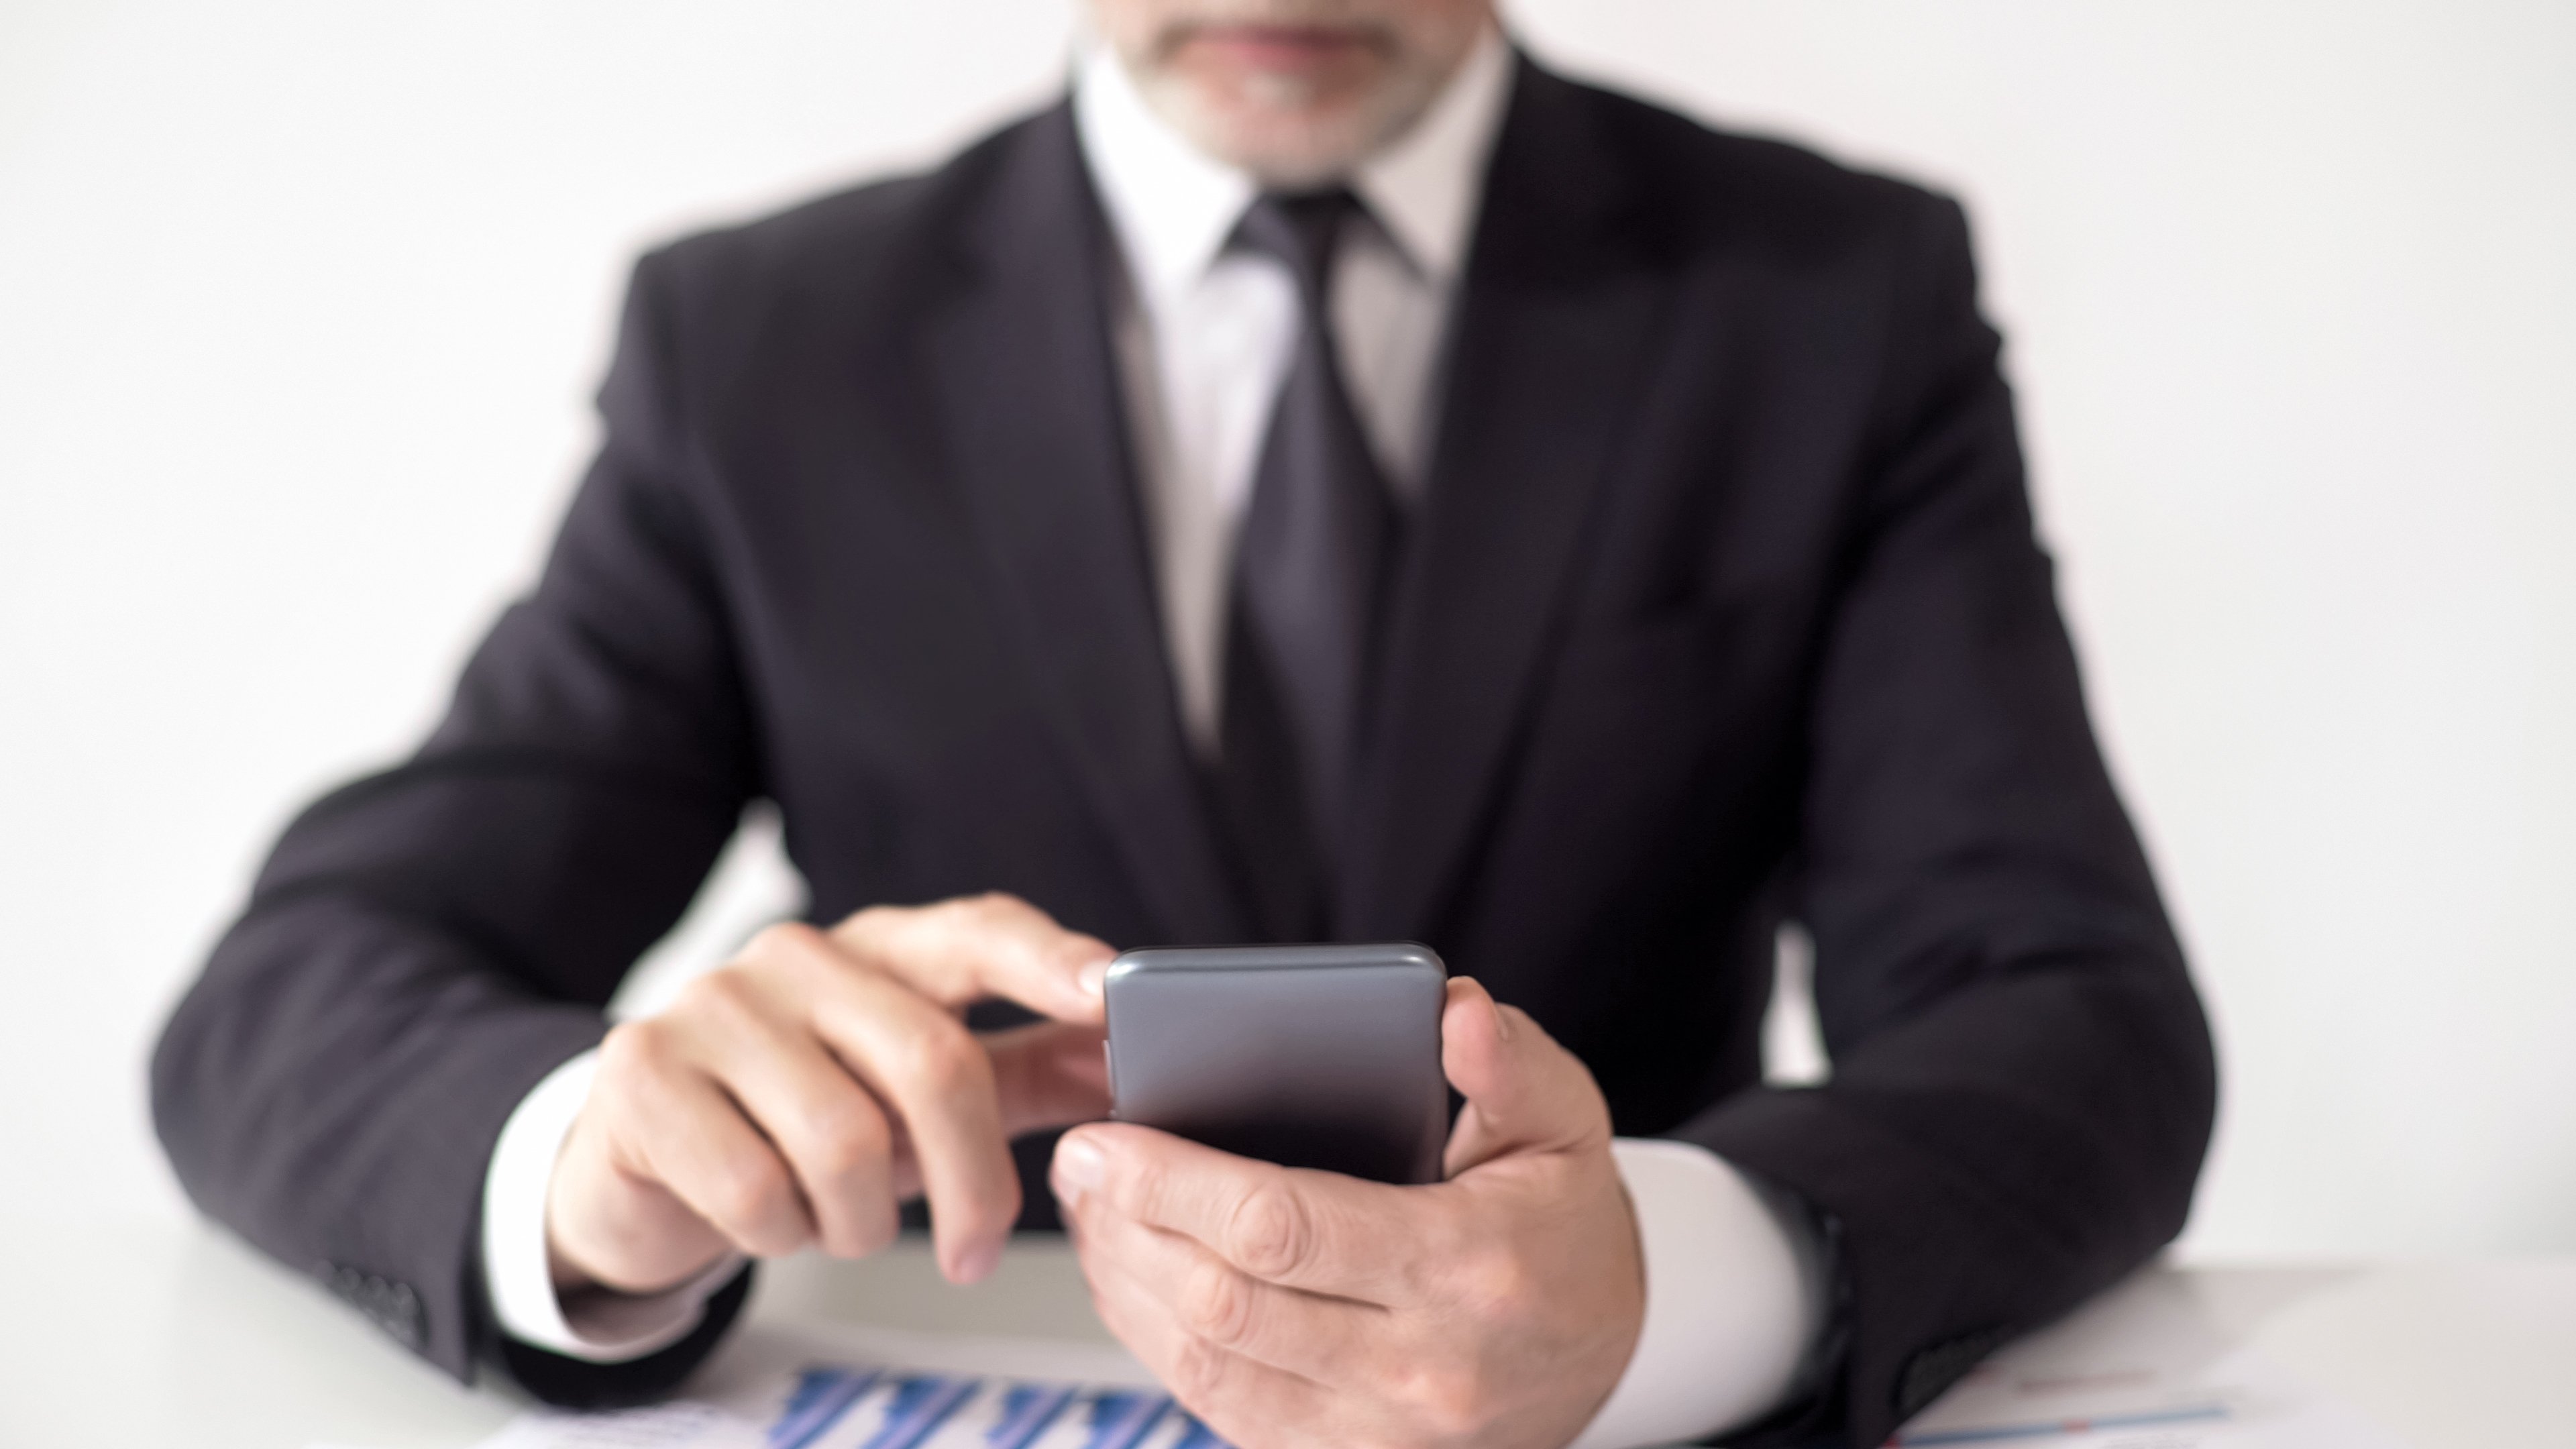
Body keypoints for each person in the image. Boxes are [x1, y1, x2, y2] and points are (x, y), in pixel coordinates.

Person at [150, 3, 2217, 1446]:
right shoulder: (764, 348)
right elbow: (308, 981)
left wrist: (1669, 1289)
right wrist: (592, 1164)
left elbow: (2063, 1002)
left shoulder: (1828, 300)